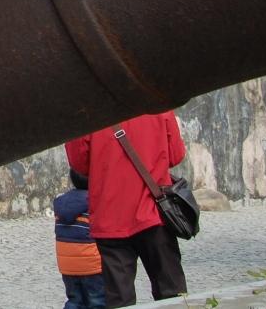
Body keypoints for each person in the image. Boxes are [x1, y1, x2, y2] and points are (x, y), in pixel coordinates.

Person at [65, 111, 188, 307]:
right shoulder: (158, 107)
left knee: (120, 300)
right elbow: (176, 155)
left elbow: (80, 165)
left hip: (110, 216)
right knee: (172, 293)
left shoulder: (86, 112)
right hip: (153, 211)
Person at [54, 168, 105, 308]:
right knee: (97, 301)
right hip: (92, 265)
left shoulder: (62, 203)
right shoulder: (95, 202)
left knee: (74, 301)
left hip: (67, 266)